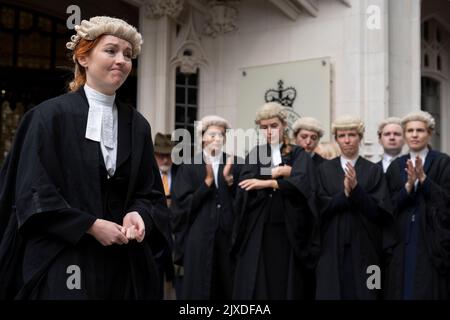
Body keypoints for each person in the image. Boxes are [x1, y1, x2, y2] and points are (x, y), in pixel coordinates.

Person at [0, 16, 171, 299]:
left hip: (122, 265)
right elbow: (33, 191)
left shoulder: (137, 125)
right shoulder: (47, 117)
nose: (121, 60)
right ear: (83, 58)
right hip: (63, 259)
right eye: (111, 50)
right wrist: (89, 225)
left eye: (128, 55)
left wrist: (138, 214)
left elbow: (149, 191)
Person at [231, 102, 320, 300]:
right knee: (261, 280)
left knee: (285, 280)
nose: (269, 131)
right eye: (264, 127)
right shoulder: (256, 153)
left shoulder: (297, 153)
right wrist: (282, 175)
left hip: (289, 228)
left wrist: (270, 181)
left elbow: (304, 183)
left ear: (283, 125)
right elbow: (246, 183)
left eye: (273, 125)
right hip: (260, 226)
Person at [315, 115, 394, 299]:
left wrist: (356, 190)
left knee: (368, 290)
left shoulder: (373, 170)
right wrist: (345, 194)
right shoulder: (324, 170)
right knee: (331, 291)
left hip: (366, 244)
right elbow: (319, 206)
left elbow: (378, 212)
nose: (347, 140)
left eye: (352, 134)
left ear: (360, 137)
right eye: (342, 135)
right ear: (336, 139)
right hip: (331, 244)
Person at [171, 115, 241, 299]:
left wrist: (230, 183)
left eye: (221, 134)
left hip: (227, 239)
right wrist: (207, 183)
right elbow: (181, 206)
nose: (217, 138)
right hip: (198, 238)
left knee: (227, 287)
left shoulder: (235, 164)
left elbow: (244, 204)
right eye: (212, 134)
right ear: (202, 137)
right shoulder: (189, 166)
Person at [385, 111, 450, 299]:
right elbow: (388, 206)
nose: (414, 135)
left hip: (431, 238)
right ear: (404, 135)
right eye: (410, 131)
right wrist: (407, 187)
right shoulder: (396, 166)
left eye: (420, 130)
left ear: (429, 134)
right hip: (401, 236)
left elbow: (445, 200)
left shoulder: (442, 162)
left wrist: (423, 179)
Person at [153, 132, 177, 299]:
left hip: (177, 235)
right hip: (156, 236)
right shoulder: (148, 174)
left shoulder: (181, 173)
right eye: (161, 156)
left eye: (168, 155)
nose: (165, 160)